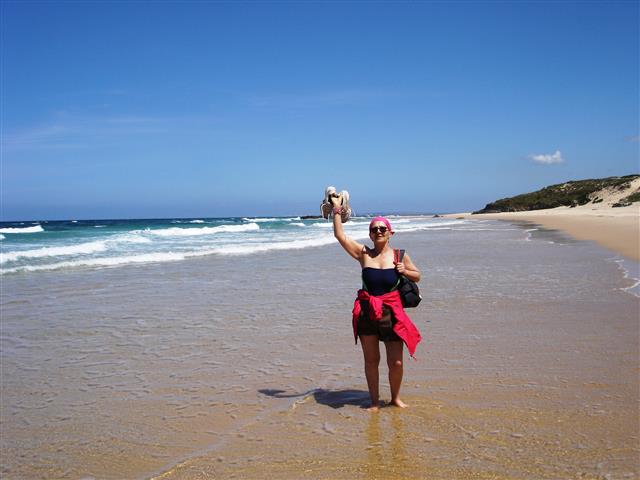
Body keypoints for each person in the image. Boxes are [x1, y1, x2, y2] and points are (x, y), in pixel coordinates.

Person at [330, 194, 422, 411]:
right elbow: (339, 235)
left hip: (392, 313)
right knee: (371, 361)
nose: (378, 231)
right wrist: (336, 209)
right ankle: (374, 401)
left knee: (396, 362)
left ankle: (395, 398)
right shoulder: (363, 253)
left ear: (390, 233)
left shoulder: (399, 255)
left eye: (382, 228)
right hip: (367, 312)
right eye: (374, 229)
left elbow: (417, 276)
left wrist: (404, 270)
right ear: (370, 234)